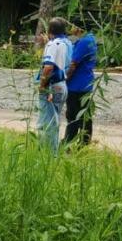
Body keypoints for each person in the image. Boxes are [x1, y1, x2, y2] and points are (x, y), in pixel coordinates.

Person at [37, 18, 71, 152]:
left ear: (50, 30)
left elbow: (48, 67)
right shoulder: (67, 43)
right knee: (55, 120)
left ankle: (48, 154)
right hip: (62, 85)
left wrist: (42, 84)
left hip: (51, 86)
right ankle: (53, 151)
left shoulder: (52, 44)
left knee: (46, 122)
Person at [65, 27, 98, 146]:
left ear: (78, 28)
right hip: (86, 83)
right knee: (85, 115)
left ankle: (68, 143)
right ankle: (84, 142)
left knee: (72, 116)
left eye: (71, 26)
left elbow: (73, 64)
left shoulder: (83, 42)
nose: (70, 29)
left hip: (76, 85)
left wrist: (64, 79)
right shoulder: (91, 39)